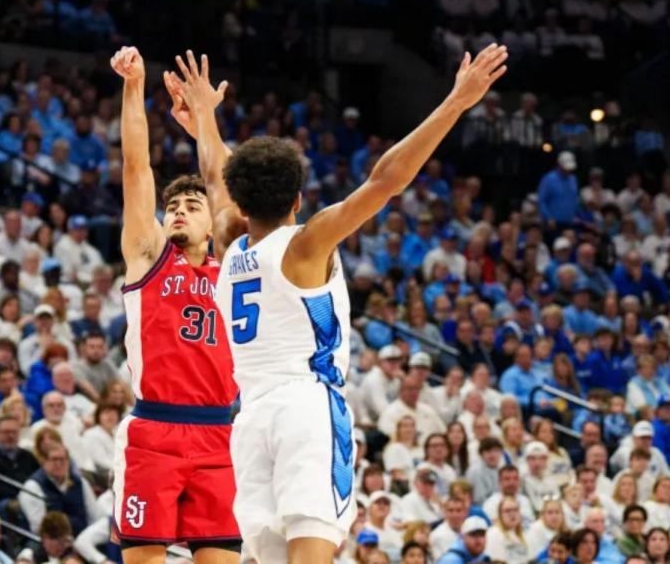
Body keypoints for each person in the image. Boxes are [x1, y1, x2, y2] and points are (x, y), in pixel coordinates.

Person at [178, 42, 508, 564]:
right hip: (305, 407)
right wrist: (455, 103)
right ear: (297, 200)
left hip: (251, 418)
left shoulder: (228, 243)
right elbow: (386, 181)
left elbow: (217, 177)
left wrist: (204, 119)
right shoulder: (306, 244)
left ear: (242, 202)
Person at [108, 46, 240, 561]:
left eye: (192, 205)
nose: (179, 211)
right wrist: (133, 86)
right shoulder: (149, 255)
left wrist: (203, 123)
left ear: (213, 223)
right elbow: (136, 169)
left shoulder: (235, 265)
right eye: (173, 207)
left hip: (221, 432)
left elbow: (237, 190)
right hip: (154, 431)